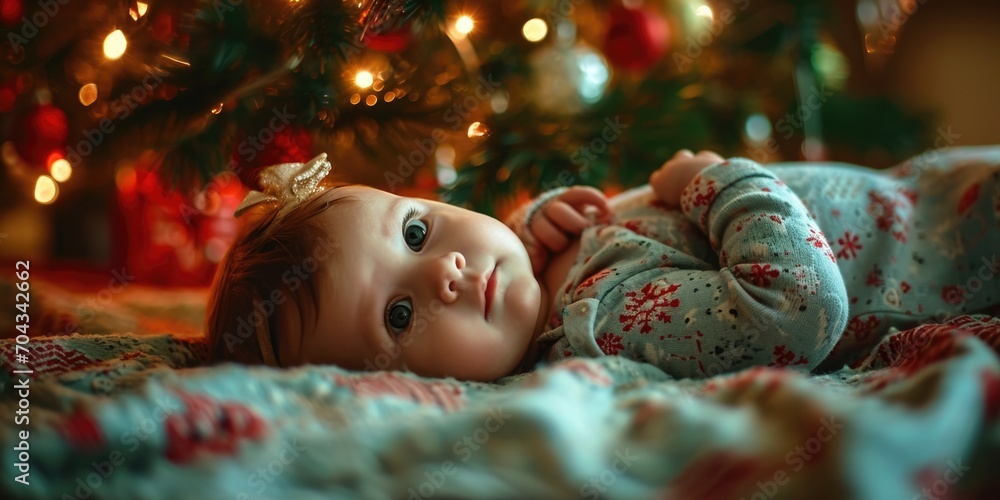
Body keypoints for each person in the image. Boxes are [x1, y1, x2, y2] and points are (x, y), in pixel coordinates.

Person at [206, 148, 1000, 381]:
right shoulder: (605, 320)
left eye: (415, 233)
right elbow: (800, 311)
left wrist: (531, 227)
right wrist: (711, 183)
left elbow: (494, 252)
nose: (445, 270)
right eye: (400, 316)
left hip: (934, 193)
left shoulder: (537, 267)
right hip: (964, 244)